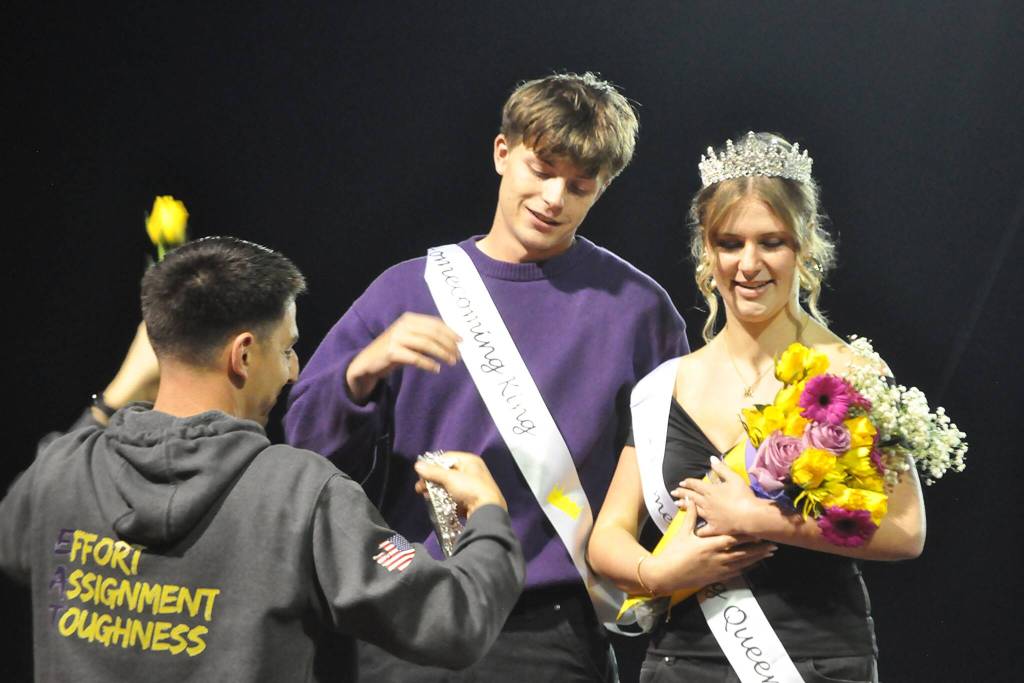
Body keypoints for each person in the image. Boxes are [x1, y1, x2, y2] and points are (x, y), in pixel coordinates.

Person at [285, 72, 688, 681]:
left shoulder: (638, 309)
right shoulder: (406, 289)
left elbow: (670, 479)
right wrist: (359, 373)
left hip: (555, 630)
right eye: (541, 169)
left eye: (579, 186)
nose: (554, 198)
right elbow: (302, 454)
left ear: (601, 190)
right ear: (502, 152)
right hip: (410, 614)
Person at [0, 236, 525, 682]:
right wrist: (488, 516)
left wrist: (121, 390)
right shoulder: (299, 495)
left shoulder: (64, 471)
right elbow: (454, 621)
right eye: (287, 349)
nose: (293, 371)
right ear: (243, 355)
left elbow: (12, 537)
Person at [587, 132, 926, 683]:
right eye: (729, 242)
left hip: (815, 659)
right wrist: (658, 569)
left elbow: (905, 531)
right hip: (681, 662)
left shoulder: (849, 372)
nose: (749, 264)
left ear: (804, 245)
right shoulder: (661, 388)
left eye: (771, 242)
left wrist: (760, 519)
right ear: (706, 248)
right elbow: (607, 541)